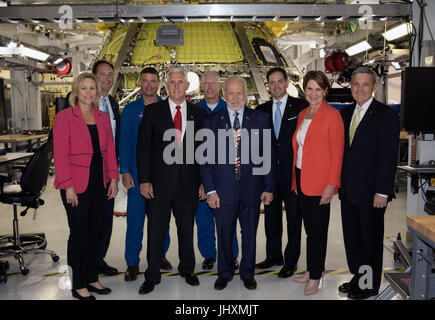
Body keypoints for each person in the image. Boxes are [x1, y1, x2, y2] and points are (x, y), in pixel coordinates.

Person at [136, 67, 207, 294]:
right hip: (158, 185)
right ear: (167, 86)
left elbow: (204, 153)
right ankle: (152, 274)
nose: (176, 86)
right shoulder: (153, 112)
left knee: (186, 230)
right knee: (156, 231)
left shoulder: (199, 114)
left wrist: (205, 182)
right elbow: (143, 149)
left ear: (188, 86)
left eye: (180, 82)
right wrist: (145, 180)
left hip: (189, 184)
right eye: (172, 82)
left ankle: (188, 269)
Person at [201, 76, 275, 291]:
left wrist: (268, 187)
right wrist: (211, 190)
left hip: (251, 190)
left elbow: (267, 156)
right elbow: (205, 161)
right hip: (222, 191)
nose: (235, 98)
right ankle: (224, 272)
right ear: (224, 96)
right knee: (224, 233)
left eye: (239, 93)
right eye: (230, 93)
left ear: (246, 95)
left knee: (249, 233)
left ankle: (247, 273)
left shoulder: (260, 119)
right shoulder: (211, 122)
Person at [53, 72, 119, 300]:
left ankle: (91, 277)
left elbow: (109, 150)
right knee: (79, 234)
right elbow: (60, 156)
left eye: (92, 88)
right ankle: (77, 283)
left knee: (95, 233)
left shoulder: (101, 117)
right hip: (76, 185)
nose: (89, 93)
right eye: (84, 88)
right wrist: (68, 186)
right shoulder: (64, 117)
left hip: (99, 184)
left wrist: (113, 178)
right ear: (76, 91)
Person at [338, 67, 400, 300]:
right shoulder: (345, 114)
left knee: (370, 241)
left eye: (365, 84)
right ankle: (359, 278)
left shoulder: (386, 115)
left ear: (374, 87)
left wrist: (382, 191)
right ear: (351, 86)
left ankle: (369, 286)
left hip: (372, 192)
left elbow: (388, 157)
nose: (359, 89)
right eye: (355, 84)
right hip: (349, 190)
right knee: (353, 240)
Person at [291, 70, 344, 296]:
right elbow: (299, 149)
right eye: (310, 88)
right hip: (302, 177)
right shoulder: (303, 113)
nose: (313, 93)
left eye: (318, 89)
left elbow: (337, 153)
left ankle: (315, 276)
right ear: (305, 90)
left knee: (318, 232)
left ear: (325, 91)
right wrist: (295, 180)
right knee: (309, 229)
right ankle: (312, 268)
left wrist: (331, 185)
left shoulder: (332, 116)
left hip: (321, 182)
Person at [65, 60, 120, 276]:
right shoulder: (70, 110)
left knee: (103, 223)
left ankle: (96, 261)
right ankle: (79, 276)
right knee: (81, 230)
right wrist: (68, 184)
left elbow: (112, 141)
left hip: (105, 173)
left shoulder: (111, 105)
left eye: (110, 75)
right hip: (81, 176)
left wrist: (114, 175)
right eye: (102, 74)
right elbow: (61, 151)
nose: (106, 78)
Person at [119, 67, 172, 282]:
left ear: (158, 83)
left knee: (161, 221)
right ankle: (132, 262)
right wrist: (125, 171)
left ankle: (159, 256)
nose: (149, 85)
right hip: (137, 175)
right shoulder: (131, 111)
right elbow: (124, 142)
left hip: (161, 176)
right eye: (145, 81)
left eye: (153, 81)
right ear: (139, 83)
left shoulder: (167, 109)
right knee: (135, 221)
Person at [256, 67, 308, 277]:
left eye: (280, 81)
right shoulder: (261, 110)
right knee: (271, 217)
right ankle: (273, 255)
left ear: (287, 83)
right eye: (272, 82)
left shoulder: (301, 107)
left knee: (294, 218)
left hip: (293, 172)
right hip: (269, 175)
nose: (276, 85)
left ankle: (291, 261)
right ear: (268, 86)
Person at [195, 70, 239, 271]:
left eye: (213, 83)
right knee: (204, 220)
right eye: (206, 84)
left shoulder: (232, 108)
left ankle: (231, 255)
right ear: (201, 86)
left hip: (227, 177)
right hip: (204, 178)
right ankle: (209, 255)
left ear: (220, 85)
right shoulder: (194, 112)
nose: (210, 87)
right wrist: (200, 181)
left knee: (228, 220)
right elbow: (191, 149)